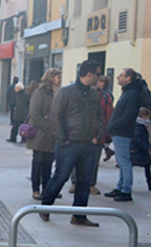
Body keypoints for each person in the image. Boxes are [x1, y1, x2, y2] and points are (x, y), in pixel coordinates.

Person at [39, 59, 103, 226]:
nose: (99, 77)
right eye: (98, 74)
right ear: (90, 74)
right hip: (69, 144)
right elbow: (55, 116)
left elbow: (99, 116)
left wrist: (98, 135)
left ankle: (79, 215)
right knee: (60, 176)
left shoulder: (94, 94)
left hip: (88, 143)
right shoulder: (66, 92)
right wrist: (62, 140)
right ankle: (45, 207)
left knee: (84, 181)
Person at [103, 68, 144, 203]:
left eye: (121, 75)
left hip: (122, 131)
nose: (118, 78)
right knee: (121, 161)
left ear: (128, 79)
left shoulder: (132, 93)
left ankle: (126, 190)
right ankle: (120, 187)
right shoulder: (128, 92)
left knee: (124, 162)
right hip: (119, 131)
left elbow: (129, 115)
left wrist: (114, 125)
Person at [27, 68, 62, 199]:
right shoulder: (39, 92)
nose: (60, 80)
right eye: (58, 77)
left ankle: (47, 188)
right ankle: (35, 188)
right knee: (38, 161)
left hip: (53, 133)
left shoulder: (58, 93)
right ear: (51, 78)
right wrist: (46, 127)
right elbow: (35, 113)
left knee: (48, 162)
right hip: (40, 133)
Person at [131, 108, 151, 191]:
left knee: (147, 165)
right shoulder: (138, 127)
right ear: (143, 116)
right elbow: (138, 140)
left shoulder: (140, 126)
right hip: (137, 150)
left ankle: (150, 182)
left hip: (140, 150)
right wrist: (146, 148)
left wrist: (148, 147)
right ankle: (127, 183)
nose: (149, 120)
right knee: (133, 166)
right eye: (148, 117)